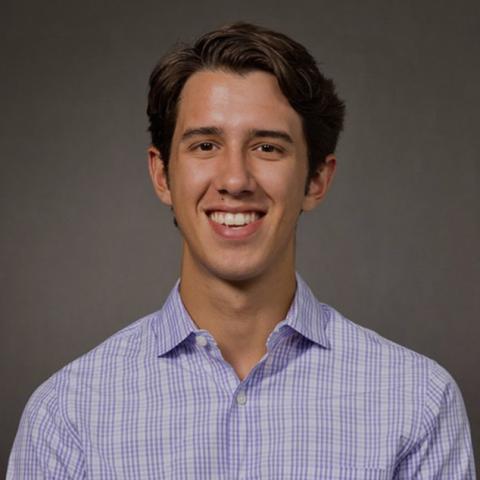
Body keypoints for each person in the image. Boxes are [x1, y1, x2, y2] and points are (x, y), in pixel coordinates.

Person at [8, 22, 475, 479]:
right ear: (161, 175)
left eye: (267, 147)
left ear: (316, 179)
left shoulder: (417, 402)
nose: (234, 180)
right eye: (205, 144)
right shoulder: (67, 416)